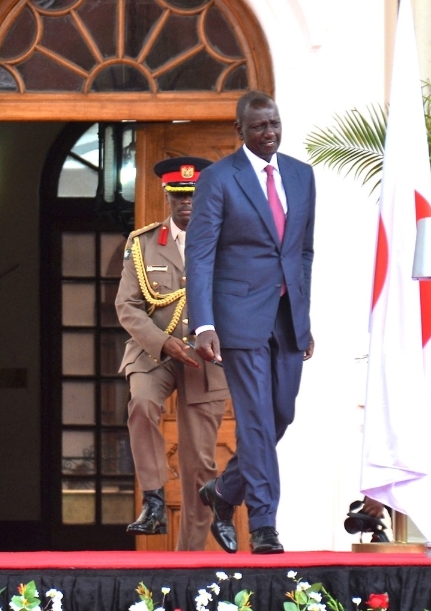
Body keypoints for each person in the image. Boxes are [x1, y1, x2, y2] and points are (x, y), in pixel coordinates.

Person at [187, 91, 316, 555]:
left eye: (275, 124)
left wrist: (303, 314)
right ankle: (263, 523)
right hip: (238, 318)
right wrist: (204, 324)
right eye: (260, 127)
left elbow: (302, 251)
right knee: (257, 419)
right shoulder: (220, 179)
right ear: (240, 131)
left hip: (286, 319)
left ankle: (223, 492)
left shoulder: (302, 177)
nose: (270, 133)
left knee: (281, 413)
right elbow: (199, 255)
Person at [115, 156, 230, 550]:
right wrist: (162, 342)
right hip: (156, 350)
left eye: (194, 196)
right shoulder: (143, 243)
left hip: (205, 357)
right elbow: (127, 306)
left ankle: (190, 555)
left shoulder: (226, 240)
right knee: (142, 404)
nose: (187, 204)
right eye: (179, 196)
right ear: (167, 197)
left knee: (200, 463)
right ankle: (153, 500)